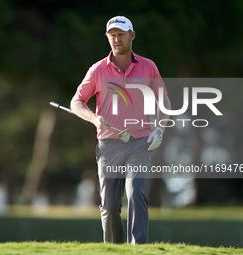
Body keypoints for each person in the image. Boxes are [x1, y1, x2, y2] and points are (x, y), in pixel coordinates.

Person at [70, 16, 171, 244]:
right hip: (109, 145)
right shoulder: (97, 70)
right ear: (108, 38)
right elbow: (76, 102)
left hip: (139, 143)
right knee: (110, 204)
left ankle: (138, 248)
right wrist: (94, 118)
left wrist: (159, 129)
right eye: (112, 35)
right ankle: (114, 249)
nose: (117, 39)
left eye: (121, 34)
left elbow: (164, 101)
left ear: (132, 36)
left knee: (136, 193)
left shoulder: (148, 66)